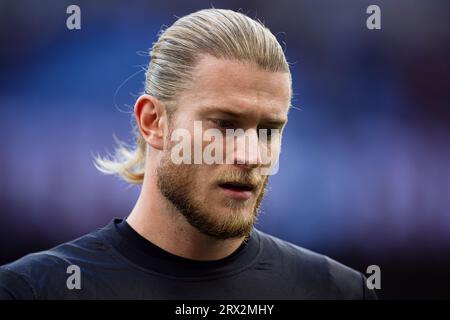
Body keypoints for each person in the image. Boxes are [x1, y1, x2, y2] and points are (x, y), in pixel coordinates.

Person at [0, 8, 376, 300]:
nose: (250, 154)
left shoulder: (337, 291)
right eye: (224, 125)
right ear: (154, 122)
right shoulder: (32, 289)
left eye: (268, 130)